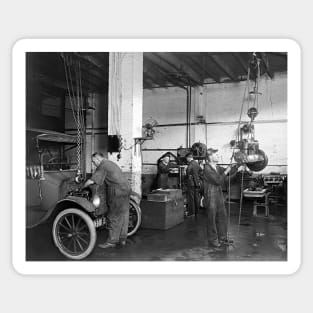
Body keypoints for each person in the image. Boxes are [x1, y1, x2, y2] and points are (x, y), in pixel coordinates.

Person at [83, 152, 131, 249]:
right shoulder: (110, 163)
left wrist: (82, 187)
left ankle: (111, 241)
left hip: (116, 191)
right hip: (126, 188)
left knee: (113, 215)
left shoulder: (103, 165)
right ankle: (122, 238)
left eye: (93, 161)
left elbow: (92, 180)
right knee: (123, 213)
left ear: (97, 159)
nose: (93, 163)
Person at [203, 148, 239, 248]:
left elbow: (229, 172)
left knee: (222, 216)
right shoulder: (207, 169)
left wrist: (237, 165)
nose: (218, 156)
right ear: (210, 157)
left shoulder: (217, 167)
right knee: (212, 218)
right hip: (210, 195)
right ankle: (213, 240)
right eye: (216, 155)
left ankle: (222, 237)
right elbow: (218, 180)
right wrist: (227, 170)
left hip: (218, 194)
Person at [185, 152, 202, 217]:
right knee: (196, 197)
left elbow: (188, 171)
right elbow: (201, 171)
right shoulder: (196, 163)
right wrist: (197, 177)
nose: (187, 160)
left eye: (187, 159)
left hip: (191, 183)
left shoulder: (191, 164)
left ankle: (191, 213)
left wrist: (188, 176)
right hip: (197, 183)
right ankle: (197, 211)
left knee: (191, 198)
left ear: (189, 158)